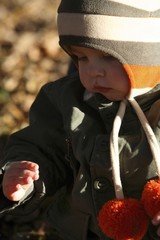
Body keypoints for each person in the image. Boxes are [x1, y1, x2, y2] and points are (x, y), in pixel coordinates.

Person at [0, 0, 160, 239]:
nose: (91, 70)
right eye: (81, 57)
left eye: (108, 56)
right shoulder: (66, 100)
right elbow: (43, 147)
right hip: (82, 230)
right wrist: (24, 175)